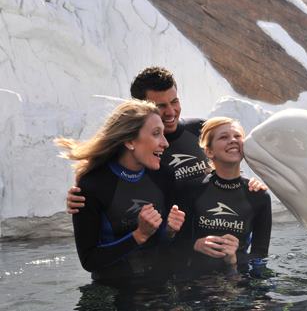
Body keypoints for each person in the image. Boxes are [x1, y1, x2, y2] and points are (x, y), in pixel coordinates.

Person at [66, 67, 266, 213]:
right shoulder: (132, 150)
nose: (171, 112)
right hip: (175, 241)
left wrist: (251, 184)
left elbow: (230, 165)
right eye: (160, 106)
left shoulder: (200, 130)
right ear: (142, 107)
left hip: (215, 227)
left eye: (174, 101)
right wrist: (80, 196)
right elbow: (103, 182)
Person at [55, 99, 185, 281]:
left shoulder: (164, 176)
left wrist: (170, 230)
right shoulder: (92, 185)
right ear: (130, 141)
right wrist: (139, 235)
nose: (165, 143)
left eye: (163, 134)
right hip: (113, 290)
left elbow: (164, 243)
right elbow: (89, 260)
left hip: (158, 285)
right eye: (156, 134)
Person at [177, 117, 272, 276]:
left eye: (237, 136)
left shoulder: (258, 196)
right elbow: (175, 245)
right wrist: (195, 245)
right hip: (197, 282)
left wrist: (233, 260)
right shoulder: (193, 189)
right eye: (223, 137)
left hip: (238, 280)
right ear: (209, 151)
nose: (232, 140)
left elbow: (260, 256)